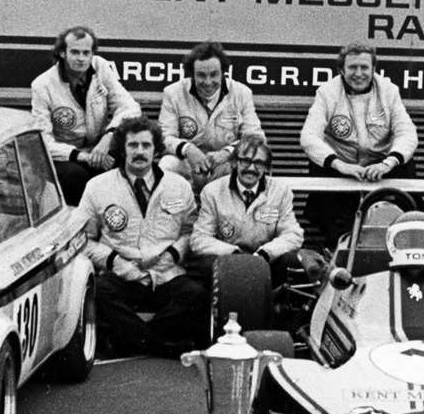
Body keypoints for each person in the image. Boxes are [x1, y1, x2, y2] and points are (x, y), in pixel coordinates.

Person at [78, 115, 209, 358]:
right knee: (99, 292)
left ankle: (127, 342)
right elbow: (83, 240)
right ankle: (161, 347)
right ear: (121, 149)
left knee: (196, 295)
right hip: (121, 274)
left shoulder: (178, 185)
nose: (140, 151)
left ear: (156, 150)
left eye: (146, 145)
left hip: (166, 274)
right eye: (133, 145)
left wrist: (172, 255)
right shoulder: (97, 186)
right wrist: (114, 261)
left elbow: (191, 231)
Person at [300, 42, 419, 248]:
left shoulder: (389, 91)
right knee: (321, 172)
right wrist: (340, 165)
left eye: (364, 67)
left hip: (381, 166)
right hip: (342, 167)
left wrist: (388, 163)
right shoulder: (327, 92)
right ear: (341, 70)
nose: (358, 73)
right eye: (352, 67)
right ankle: (336, 249)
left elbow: (407, 133)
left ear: (374, 69)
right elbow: (309, 137)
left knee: (407, 172)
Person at [31, 25, 141, 204]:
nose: (81, 58)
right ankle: (79, 224)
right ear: (62, 53)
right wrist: (81, 156)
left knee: (126, 160)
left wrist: (109, 136)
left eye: (86, 53)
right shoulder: (42, 85)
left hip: (100, 147)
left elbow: (130, 107)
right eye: (74, 52)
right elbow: (43, 141)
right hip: (67, 155)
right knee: (74, 175)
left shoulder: (101, 67)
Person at [191, 133, 305, 288]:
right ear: (234, 162)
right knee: (206, 266)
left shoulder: (281, 191)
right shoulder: (212, 191)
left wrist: (266, 253)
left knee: (293, 262)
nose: (251, 168)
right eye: (245, 161)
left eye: (258, 162)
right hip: (229, 260)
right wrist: (234, 254)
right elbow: (199, 239)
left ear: (266, 167)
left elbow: (293, 235)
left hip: (266, 262)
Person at [157, 41, 263, 192]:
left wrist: (227, 153)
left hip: (225, 164)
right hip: (188, 163)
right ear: (192, 74)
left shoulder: (241, 93)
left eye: (214, 75)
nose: (208, 82)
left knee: (244, 166)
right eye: (201, 75)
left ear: (223, 72)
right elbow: (164, 137)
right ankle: (173, 214)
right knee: (167, 164)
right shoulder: (173, 93)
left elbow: (255, 137)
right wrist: (188, 149)